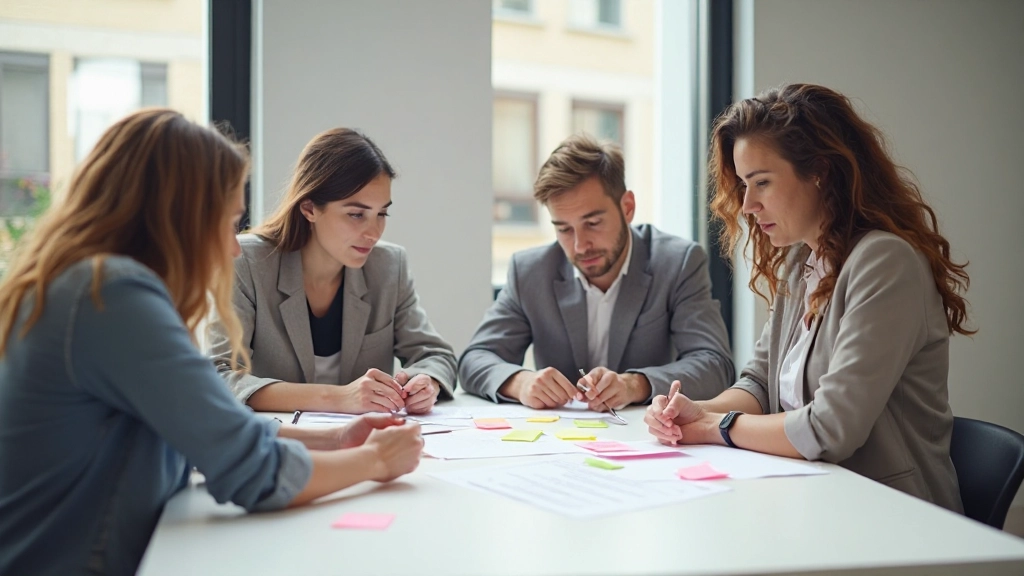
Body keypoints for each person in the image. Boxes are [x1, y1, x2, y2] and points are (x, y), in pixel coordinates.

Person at [0, 110, 424, 576]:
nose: (234, 247)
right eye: (226, 222)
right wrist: (376, 461)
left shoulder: (88, 284)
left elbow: (205, 425)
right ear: (175, 217)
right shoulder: (112, 297)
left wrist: (334, 438)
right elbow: (251, 471)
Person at [645, 83, 968, 512]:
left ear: (819, 171)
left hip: (892, 514)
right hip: (815, 498)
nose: (746, 205)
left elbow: (830, 428)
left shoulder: (884, 261)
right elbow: (759, 385)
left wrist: (714, 426)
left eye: (761, 182)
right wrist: (691, 412)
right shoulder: (804, 261)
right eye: (743, 185)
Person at [460, 134, 734, 410]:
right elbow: (476, 358)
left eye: (592, 223)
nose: (580, 245)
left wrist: (634, 384)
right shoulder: (530, 272)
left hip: (648, 437)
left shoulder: (678, 263)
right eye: (564, 229)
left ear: (627, 208)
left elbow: (715, 366)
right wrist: (521, 383)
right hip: (559, 441)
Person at [207, 128, 457, 415]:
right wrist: (336, 398)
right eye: (356, 214)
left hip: (367, 444)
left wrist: (427, 383)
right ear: (310, 208)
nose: (373, 232)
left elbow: (436, 355)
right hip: (278, 445)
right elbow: (218, 375)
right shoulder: (246, 263)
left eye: (382, 214)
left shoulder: (388, 266)